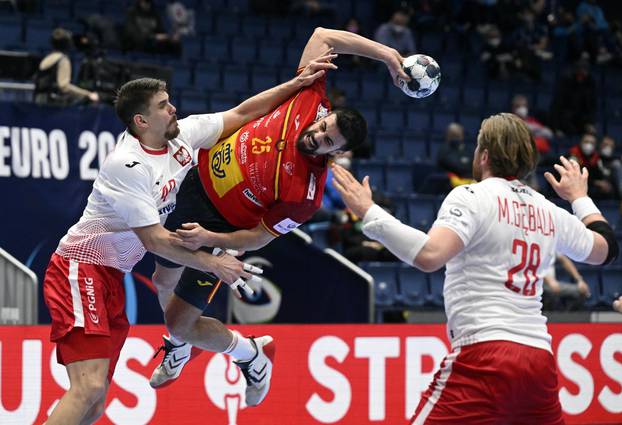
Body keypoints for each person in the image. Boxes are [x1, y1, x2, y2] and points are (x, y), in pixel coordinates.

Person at [42, 61, 332, 425]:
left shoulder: (182, 138)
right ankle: (185, 344)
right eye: (163, 105)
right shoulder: (127, 165)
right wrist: (215, 263)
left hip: (112, 276)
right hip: (81, 268)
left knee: (97, 398)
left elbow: (242, 112)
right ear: (141, 122)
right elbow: (155, 239)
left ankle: (186, 345)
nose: (173, 107)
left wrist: (294, 84)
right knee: (86, 388)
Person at [148, 27, 410, 402]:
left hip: (221, 227)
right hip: (196, 185)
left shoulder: (305, 195)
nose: (316, 136)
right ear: (325, 115)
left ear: (335, 153)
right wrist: (387, 55)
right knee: (161, 280)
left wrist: (211, 241)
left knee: (178, 321)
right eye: (323, 127)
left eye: (327, 142)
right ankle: (182, 346)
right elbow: (325, 36)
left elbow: (257, 237)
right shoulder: (309, 97)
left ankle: (251, 355)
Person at [331, 112, 618, 424]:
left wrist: (369, 212)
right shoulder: (550, 210)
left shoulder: (471, 196)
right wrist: (580, 198)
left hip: (485, 353)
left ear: (483, 155)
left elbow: (430, 255)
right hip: (539, 360)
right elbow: (606, 251)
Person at [33, 28, 100, 106]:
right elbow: (63, 86)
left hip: (38, 102)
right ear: (67, 44)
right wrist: (88, 94)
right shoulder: (62, 60)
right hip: (52, 106)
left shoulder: (46, 58)